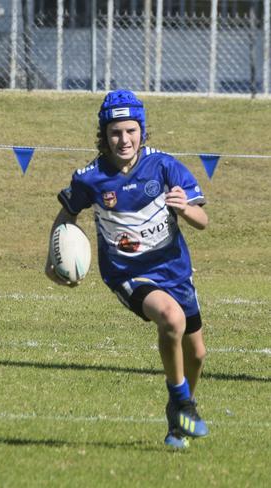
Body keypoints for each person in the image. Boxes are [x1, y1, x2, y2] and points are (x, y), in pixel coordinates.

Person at [45, 90, 209, 449]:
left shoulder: (164, 166)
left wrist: (185, 210)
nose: (124, 139)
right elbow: (67, 213)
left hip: (174, 269)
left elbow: (202, 220)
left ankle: (179, 414)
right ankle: (181, 401)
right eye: (116, 132)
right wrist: (51, 256)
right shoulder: (91, 178)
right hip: (126, 273)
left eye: (131, 131)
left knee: (196, 353)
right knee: (171, 318)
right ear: (103, 134)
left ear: (142, 131)